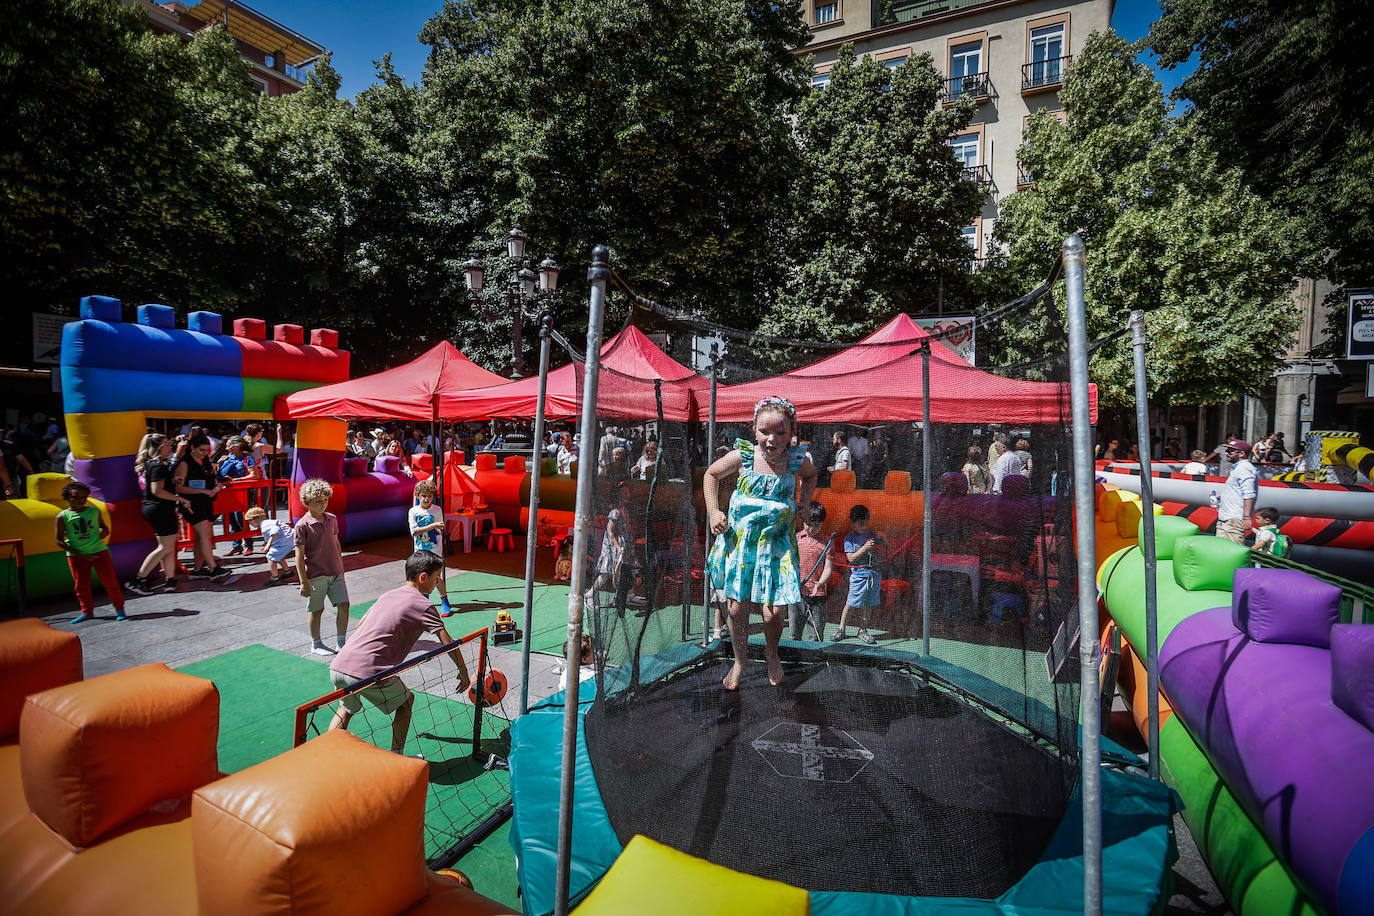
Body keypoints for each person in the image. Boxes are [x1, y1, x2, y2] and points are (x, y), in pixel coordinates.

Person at [705, 395, 817, 689]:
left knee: (774, 611)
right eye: (765, 431)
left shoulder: (796, 461)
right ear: (754, 430)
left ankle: (771, 651)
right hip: (742, 546)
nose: (772, 439)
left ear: (792, 433)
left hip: (776, 548)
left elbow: (812, 475)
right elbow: (711, 475)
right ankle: (740, 660)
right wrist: (714, 510)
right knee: (737, 608)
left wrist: (805, 503)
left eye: (781, 432)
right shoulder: (743, 456)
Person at [327, 551, 470, 754]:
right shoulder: (424, 605)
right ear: (423, 578)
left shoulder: (389, 594)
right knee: (406, 703)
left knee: (346, 710)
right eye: (436, 578)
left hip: (340, 665)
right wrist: (463, 672)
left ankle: (325, 755)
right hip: (369, 671)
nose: (438, 582)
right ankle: (397, 756)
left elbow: (360, 625)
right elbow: (448, 643)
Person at [126, 434, 191, 595]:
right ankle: (138, 579)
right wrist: (180, 498)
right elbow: (157, 490)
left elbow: (156, 486)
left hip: (155, 508)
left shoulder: (152, 464)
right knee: (165, 547)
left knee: (167, 546)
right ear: (158, 447)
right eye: (167, 444)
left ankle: (170, 579)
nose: (170, 447)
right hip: (160, 508)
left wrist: (172, 482)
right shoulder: (158, 466)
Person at [293, 479, 351, 655]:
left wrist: (340, 566)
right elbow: (298, 556)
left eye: (325, 500)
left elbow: (335, 543)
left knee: (344, 605)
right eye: (318, 501)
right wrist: (304, 582)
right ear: (307, 502)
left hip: (335, 573)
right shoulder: (302, 525)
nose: (323, 504)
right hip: (316, 575)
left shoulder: (332, 519)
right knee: (317, 610)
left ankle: (341, 643)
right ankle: (316, 644)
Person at [57, 480, 127, 623]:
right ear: (67, 497)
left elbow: (104, 527)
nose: (80, 501)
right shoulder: (62, 517)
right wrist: (80, 554)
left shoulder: (94, 511)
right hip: (77, 556)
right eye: (75, 497)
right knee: (81, 585)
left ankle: (120, 609)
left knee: (110, 581)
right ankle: (87, 612)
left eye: (83, 497)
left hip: (99, 551)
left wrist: (103, 533)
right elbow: (59, 541)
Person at [173, 435, 230, 579]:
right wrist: (202, 490)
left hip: (206, 503)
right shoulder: (184, 463)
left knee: (201, 537)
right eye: (201, 450)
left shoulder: (205, 460)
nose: (204, 452)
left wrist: (215, 486)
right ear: (192, 447)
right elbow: (179, 488)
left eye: (206, 450)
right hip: (192, 504)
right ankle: (213, 568)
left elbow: (210, 478)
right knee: (205, 535)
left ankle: (197, 569)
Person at [830, 504, 883, 645]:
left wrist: (883, 538)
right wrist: (865, 548)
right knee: (851, 603)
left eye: (866, 523)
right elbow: (851, 558)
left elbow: (885, 544)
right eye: (860, 524)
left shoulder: (871, 534)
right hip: (859, 576)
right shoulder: (850, 538)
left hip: (873, 575)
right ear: (852, 523)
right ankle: (841, 629)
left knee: (868, 605)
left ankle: (863, 630)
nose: (864, 527)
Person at [793, 501, 837, 641]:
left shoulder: (827, 542)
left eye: (816, 525)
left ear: (822, 523)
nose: (812, 528)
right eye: (808, 524)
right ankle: (792, 661)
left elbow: (828, 567)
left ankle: (815, 661)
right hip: (796, 594)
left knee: (816, 636)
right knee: (794, 634)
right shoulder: (796, 539)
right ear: (802, 521)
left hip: (818, 595)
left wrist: (820, 583)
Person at [590, 481, 636, 617]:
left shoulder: (624, 510)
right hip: (612, 548)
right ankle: (589, 595)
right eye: (624, 493)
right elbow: (610, 531)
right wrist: (618, 547)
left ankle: (630, 594)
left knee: (628, 570)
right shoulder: (615, 512)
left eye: (628, 492)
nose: (628, 495)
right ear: (618, 495)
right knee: (606, 573)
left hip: (624, 546)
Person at [408, 479, 452, 617]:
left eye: (429, 496)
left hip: (434, 549)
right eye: (423, 496)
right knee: (422, 577)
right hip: (420, 550)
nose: (427, 499)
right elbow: (414, 531)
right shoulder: (413, 511)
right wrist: (433, 526)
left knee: (436, 577)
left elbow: (439, 529)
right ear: (418, 496)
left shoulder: (436, 510)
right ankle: (425, 603)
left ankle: (444, 601)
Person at [216, 436, 258, 556]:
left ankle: (248, 544)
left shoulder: (247, 458)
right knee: (231, 519)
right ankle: (236, 545)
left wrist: (236, 480)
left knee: (241, 519)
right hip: (228, 492)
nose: (226, 447)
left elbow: (254, 475)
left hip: (243, 492)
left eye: (229, 445)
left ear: (237, 446)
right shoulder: (227, 458)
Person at [1216, 439, 1258, 545]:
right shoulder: (1238, 468)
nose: (1226, 453)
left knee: (1232, 553)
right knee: (1221, 552)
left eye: (1230, 451)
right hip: (1226, 518)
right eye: (1227, 450)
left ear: (1242, 454)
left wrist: (1246, 517)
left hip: (1234, 519)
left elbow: (1249, 494)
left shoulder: (1244, 468)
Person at [244, 506, 295, 585]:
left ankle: (275, 578)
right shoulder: (267, 522)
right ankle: (287, 571)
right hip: (288, 539)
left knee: (270, 557)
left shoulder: (264, 525)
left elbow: (275, 531)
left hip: (285, 542)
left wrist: (268, 545)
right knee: (278, 555)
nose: (249, 524)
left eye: (249, 522)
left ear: (253, 520)